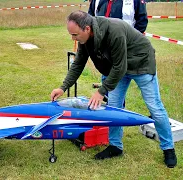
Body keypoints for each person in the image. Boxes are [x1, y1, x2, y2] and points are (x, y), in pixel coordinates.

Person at [51, 11, 177, 168]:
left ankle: (168, 148)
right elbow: (78, 63)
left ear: (87, 29)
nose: (73, 38)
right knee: (114, 108)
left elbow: (120, 66)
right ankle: (115, 146)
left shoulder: (114, 31)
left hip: (141, 64)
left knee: (154, 107)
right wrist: (63, 87)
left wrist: (101, 91)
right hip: (118, 67)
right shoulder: (85, 40)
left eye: (75, 34)